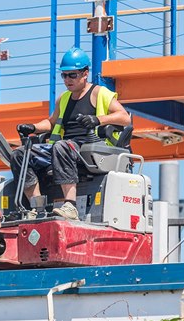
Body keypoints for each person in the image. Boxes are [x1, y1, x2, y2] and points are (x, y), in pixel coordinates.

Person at [11, 47, 131, 220]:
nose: (67, 80)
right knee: (21, 154)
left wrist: (98, 120)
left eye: (72, 75)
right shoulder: (64, 98)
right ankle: (36, 207)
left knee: (62, 146)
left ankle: (71, 206)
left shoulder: (99, 93)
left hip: (93, 149)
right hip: (66, 149)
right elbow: (52, 122)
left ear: (85, 73)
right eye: (64, 75)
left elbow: (124, 118)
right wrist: (33, 127)